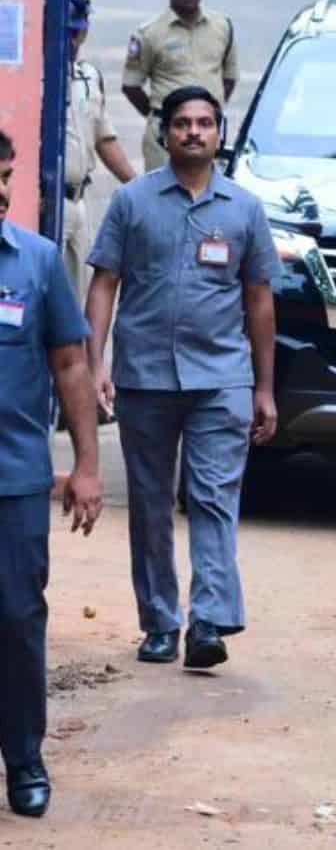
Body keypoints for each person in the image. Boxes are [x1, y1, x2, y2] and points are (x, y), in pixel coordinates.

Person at [85, 86, 281, 670]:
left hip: (221, 378)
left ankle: (210, 622)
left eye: (204, 123)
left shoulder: (244, 209)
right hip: (145, 377)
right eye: (182, 124)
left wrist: (264, 387)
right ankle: (160, 623)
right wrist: (95, 362)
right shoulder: (132, 202)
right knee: (149, 503)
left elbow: (261, 302)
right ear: (164, 134)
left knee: (213, 497)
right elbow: (103, 284)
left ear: (219, 133)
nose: (193, 132)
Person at [0, 130, 103, 817]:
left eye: (3, 176)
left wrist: (88, 464)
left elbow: (70, 363)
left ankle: (25, 761)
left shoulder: (36, 263)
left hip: (14, 477)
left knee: (16, 617)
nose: (3, 190)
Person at [122, 0, 238, 172]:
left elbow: (229, 78)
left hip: (207, 135)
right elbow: (131, 86)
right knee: (162, 200)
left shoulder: (222, 27)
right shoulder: (149, 33)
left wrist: (208, 113)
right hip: (164, 140)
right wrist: (165, 118)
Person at [64, 0, 135, 300]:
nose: (73, 41)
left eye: (78, 32)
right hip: (48, 201)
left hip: (80, 201)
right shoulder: (34, 76)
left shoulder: (88, 77)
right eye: (67, 32)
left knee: (76, 296)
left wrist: (138, 186)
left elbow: (104, 139)